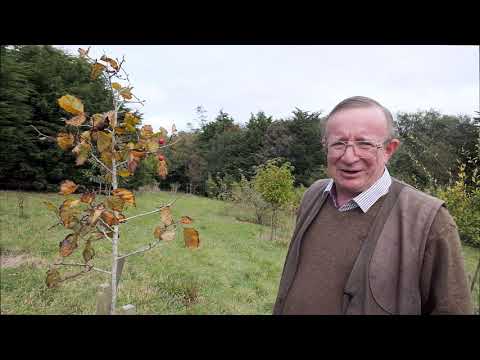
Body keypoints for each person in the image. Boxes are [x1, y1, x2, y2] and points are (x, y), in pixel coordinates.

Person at [273, 96, 473, 315]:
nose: (349, 157)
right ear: (325, 146)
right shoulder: (314, 195)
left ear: (389, 149)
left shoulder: (429, 221)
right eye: (338, 143)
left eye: (365, 144)